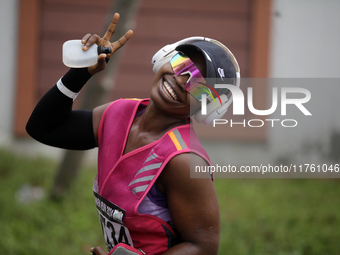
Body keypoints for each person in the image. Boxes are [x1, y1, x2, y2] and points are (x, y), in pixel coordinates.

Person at [26, 13, 238, 255]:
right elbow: (43, 128)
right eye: (182, 64)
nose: (181, 80)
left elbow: (204, 247)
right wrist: (81, 72)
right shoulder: (119, 114)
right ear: (165, 59)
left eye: (199, 86)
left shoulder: (182, 160)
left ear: (208, 108)